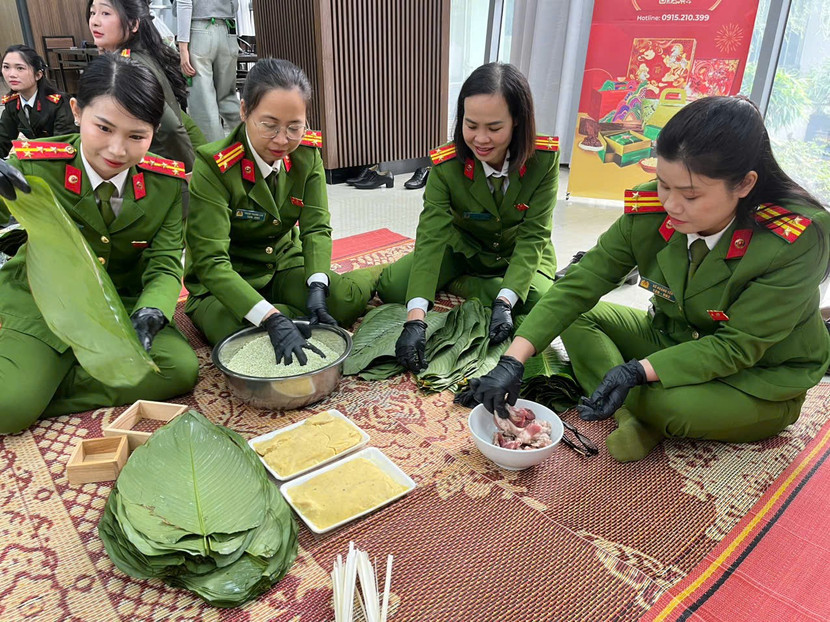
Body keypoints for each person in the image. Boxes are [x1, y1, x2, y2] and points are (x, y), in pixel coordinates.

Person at [467, 96, 830, 463]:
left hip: (758, 374)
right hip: (673, 339)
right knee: (571, 316)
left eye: (690, 195)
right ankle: (629, 415)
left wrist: (637, 370)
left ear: (744, 184)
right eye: (663, 184)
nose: (671, 205)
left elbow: (737, 347)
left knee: (674, 407)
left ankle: (644, 410)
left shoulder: (794, 240)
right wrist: (512, 361)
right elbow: (582, 282)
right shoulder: (649, 211)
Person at [0, 54, 199, 434]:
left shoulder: (167, 184)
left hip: (119, 305)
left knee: (178, 369)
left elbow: (165, 263)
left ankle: (45, 384)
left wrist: (152, 311)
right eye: (103, 128)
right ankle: (32, 384)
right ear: (77, 112)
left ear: (154, 132)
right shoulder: (36, 166)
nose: (117, 150)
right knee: (8, 409)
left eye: (136, 136)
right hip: (44, 303)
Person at [184, 58, 380, 363]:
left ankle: (373, 276)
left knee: (342, 302)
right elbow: (211, 263)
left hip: (282, 265)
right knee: (237, 335)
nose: (281, 140)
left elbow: (316, 227)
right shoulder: (214, 167)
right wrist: (270, 317)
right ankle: (275, 312)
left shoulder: (306, 155)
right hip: (225, 282)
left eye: (294, 127)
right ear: (244, 110)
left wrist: (316, 284)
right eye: (269, 125)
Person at [376, 62, 560, 373]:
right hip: (464, 248)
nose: (481, 139)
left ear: (518, 121)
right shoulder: (447, 165)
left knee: (539, 301)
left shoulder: (543, 160)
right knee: (395, 287)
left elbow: (534, 236)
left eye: (494, 127)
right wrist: (416, 320)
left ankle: (490, 289)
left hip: (518, 252)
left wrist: (504, 302)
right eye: (471, 125)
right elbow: (432, 235)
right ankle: (479, 285)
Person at [88, 0, 197, 170]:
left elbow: (171, 129)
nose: (94, 21)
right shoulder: (138, 56)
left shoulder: (128, 68)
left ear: (133, 24)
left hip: (155, 169)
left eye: (106, 13)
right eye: (92, 13)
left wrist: (190, 172)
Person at [177, 0, 241, 142]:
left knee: (204, 105)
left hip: (200, 31)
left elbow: (184, 3)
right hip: (228, 31)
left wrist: (183, 48)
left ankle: (214, 157)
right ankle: (254, 142)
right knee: (228, 98)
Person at [0, 44, 75, 160]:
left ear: (38, 75)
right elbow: (2, 141)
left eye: (20, 68)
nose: (11, 74)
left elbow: (64, 147)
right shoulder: (13, 104)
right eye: (6, 67)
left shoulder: (59, 103)